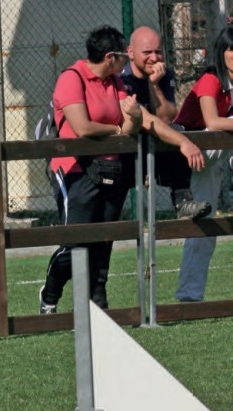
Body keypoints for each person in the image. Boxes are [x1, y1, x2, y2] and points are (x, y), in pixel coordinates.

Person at [39, 26, 143, 313]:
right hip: (74, 170)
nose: (127, 61)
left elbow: (129, 125)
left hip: (111, 169)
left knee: (102, 244)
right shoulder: (71, 79)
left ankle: (98, 307)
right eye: (124, 55)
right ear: (110, 57)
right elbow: (82, 127)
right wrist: (117, 129)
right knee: (76, 245)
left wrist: (133, 119)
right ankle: (50, 294)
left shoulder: (116, 82)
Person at [120, 26, 209, 219]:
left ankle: (182, 200)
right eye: (147, 52)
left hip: (156, 143)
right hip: (123, 151)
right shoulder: (121, 78)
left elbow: (167, 118)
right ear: (130, 53)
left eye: (158, 52)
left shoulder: (164, 75)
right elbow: (143, 119)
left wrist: (153, 85)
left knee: (177, 131)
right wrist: (183, 142)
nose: (154, 58)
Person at [172, 26, 233, 302]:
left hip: (216, 153)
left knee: (205, 230)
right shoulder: (211, 79)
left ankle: (189, 296)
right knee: (201, 227)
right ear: (221, 53)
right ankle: (189, 295)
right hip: (191, 153)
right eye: (231, 49)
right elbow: (212, 122)